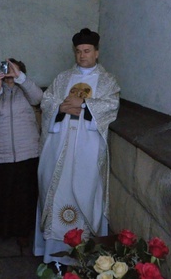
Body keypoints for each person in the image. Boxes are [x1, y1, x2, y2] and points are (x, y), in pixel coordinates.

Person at [34, 28, 120, 266]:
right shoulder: (62, 78)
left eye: (87, 51)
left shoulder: (107, 80)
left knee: (86, 189)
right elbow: (48, 101)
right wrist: (59, 109)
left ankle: (84, 254)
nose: (83, 55)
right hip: (60, 144)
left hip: (88, 147)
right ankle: (54, 253)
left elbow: (112, 105)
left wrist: (84, 103)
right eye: (79, 51)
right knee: (57, 189)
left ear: (97, 52)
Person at [0, 58, 42, 258]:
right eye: (7, 70)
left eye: (13, 70)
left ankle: (22, 231)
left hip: (27, 153)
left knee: (24, 195)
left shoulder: (27, 91)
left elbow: (39, 98)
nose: (10, 74)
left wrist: (21, 78)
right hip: (1, 154)